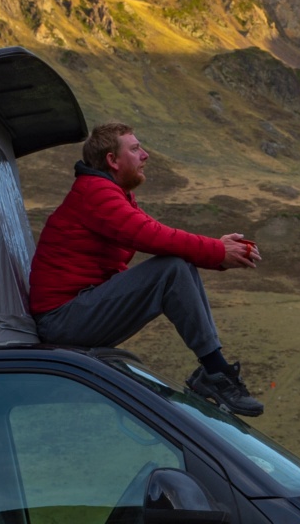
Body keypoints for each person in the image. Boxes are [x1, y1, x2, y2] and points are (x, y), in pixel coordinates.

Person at [29, 122, 265, 416]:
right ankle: (215, 372)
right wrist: (217, 251)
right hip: (62, 321)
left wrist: (217, 250)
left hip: (78, 311)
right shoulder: (95, 192)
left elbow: (159, 235)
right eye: (135, 148)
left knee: (177, 263)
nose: (146, 155)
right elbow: (151, 236)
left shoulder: (111, 192)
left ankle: (214, 372)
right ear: (112, 161)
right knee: (171, 268)